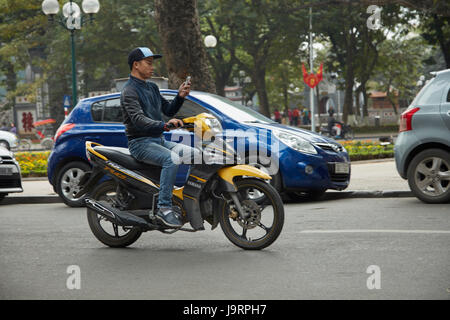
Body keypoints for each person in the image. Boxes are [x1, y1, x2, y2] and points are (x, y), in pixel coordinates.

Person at [121, 47, 194, 228]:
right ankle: (164, 208)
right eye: (149, 63)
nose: (152, 67)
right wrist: (164, 125)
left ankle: (191, 198)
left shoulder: (152, 87)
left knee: (195, 154)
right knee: (172, 159)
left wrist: (180, 97)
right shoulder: (129, 91)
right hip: (140, 143)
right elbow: (138, 120)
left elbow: (168, 110)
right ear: (136, 65)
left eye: (153, 63)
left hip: (158, 140)